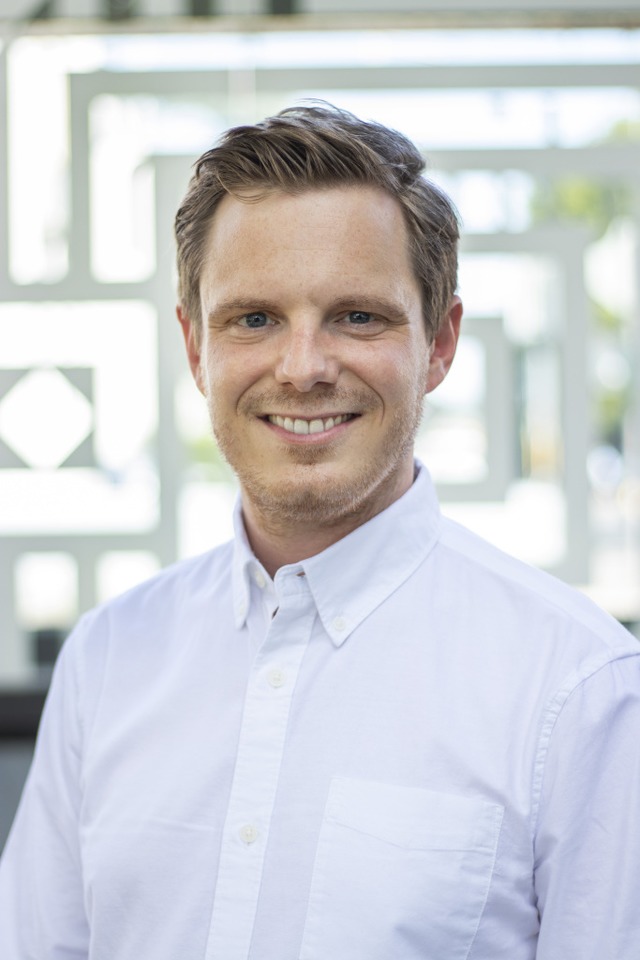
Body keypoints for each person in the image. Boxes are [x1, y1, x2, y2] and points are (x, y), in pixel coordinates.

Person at [1, 104, 639, 960]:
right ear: (196, 347)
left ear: (440, 343)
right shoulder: (109, 659)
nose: (302, 368)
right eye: (254, 319)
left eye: (358, 317)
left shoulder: (580, 689)